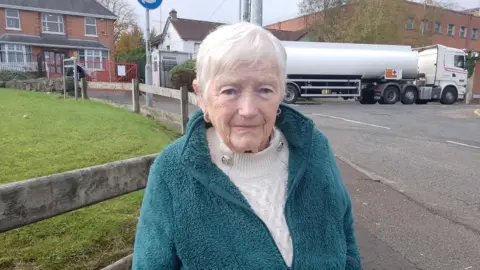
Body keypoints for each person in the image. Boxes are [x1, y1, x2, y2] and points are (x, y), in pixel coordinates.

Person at [132, 22, 362, 270]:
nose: (249, 110)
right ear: (202, 97)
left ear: (281, 94)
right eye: (230, 91)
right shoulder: (173, 171)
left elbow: (344, 230)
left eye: (265, 90)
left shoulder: (314, 147)